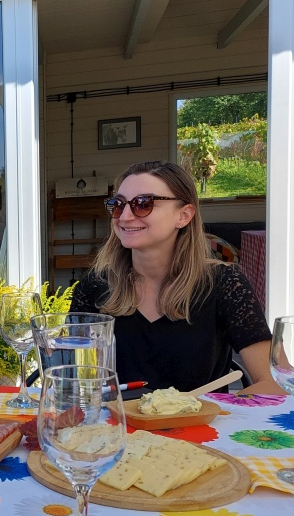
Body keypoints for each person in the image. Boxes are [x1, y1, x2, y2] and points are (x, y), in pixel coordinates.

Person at [70, 160, 283, 395]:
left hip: (202, 428)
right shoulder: (95, 286)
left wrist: (200, 409)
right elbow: (70, 379)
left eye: (143, 204)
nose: (125, 216)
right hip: (116, 429)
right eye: (118, 205)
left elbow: (275, 382)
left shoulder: (224, 283)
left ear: (183, 215)